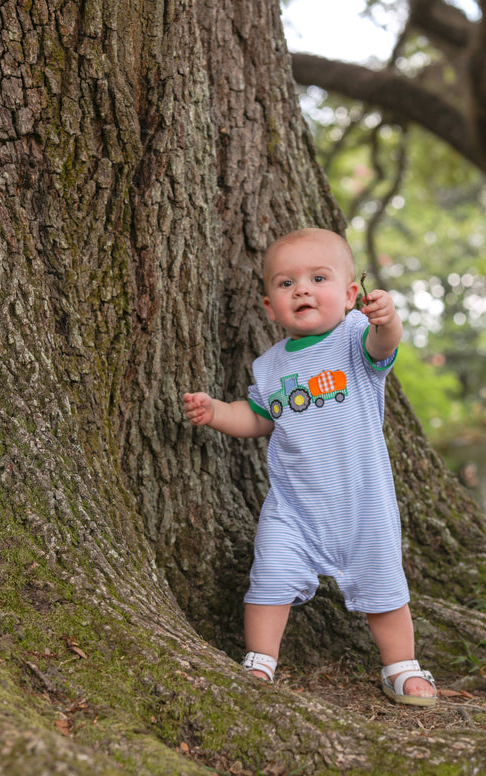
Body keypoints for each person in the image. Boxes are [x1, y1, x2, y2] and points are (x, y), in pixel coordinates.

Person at [183, 228, 436, 706]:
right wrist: (216, 412)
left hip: (362, 502)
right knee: (269, 581)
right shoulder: (270, 366)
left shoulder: (354, 337)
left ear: (349, 295)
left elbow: (385, 347)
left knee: (383, 586)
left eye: (317, 278)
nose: (301, 289)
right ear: (268, 306)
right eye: (285, 283)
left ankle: (401, 666)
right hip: (293, 506)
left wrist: (387, 320)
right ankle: (260, 662)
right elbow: (259, 418)